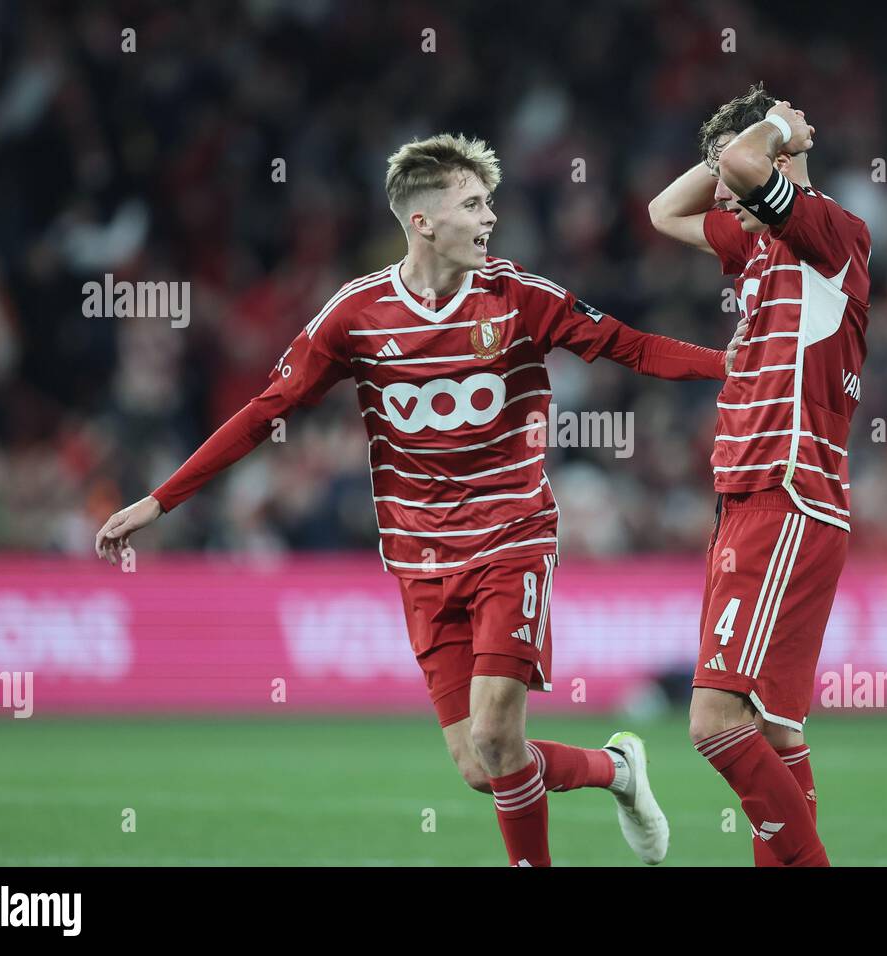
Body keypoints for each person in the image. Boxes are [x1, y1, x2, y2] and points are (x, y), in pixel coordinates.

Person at [96, 133, 743, 867]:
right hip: (421, 559)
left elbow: (630, 346)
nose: (490, 217)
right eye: (473, 204)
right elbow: (264, 411)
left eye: (489, 202)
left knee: (499, 738)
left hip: (511, 538)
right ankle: (617, 770)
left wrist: (733, 366)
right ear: (422, 221)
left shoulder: (518, 296)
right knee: (479, 764)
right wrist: (160, 500)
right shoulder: (355, 315)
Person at [649, 84, 871, 866]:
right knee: (775, 729)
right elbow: (662, 212)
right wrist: (733, 153)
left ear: (776, 163)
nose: (724, 191)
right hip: (751, 495)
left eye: (736, 174)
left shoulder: (829, 232)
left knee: (713, 721)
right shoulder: (752, 246)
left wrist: (778, 131)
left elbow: (746, 164)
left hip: (787, 489)